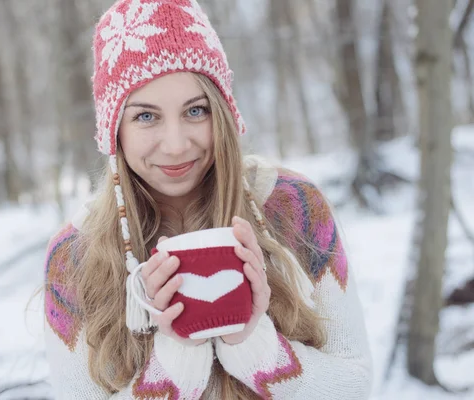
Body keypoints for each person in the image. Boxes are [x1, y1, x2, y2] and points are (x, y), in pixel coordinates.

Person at [43, 0, 373, 398]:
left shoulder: (294, 206)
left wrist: (252, 343)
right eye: (145, 116)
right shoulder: (73, 256)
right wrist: (179, 355)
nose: (177, 145)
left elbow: (355, 385)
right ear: (115, 131)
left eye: (195, 110)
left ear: (221, 111)